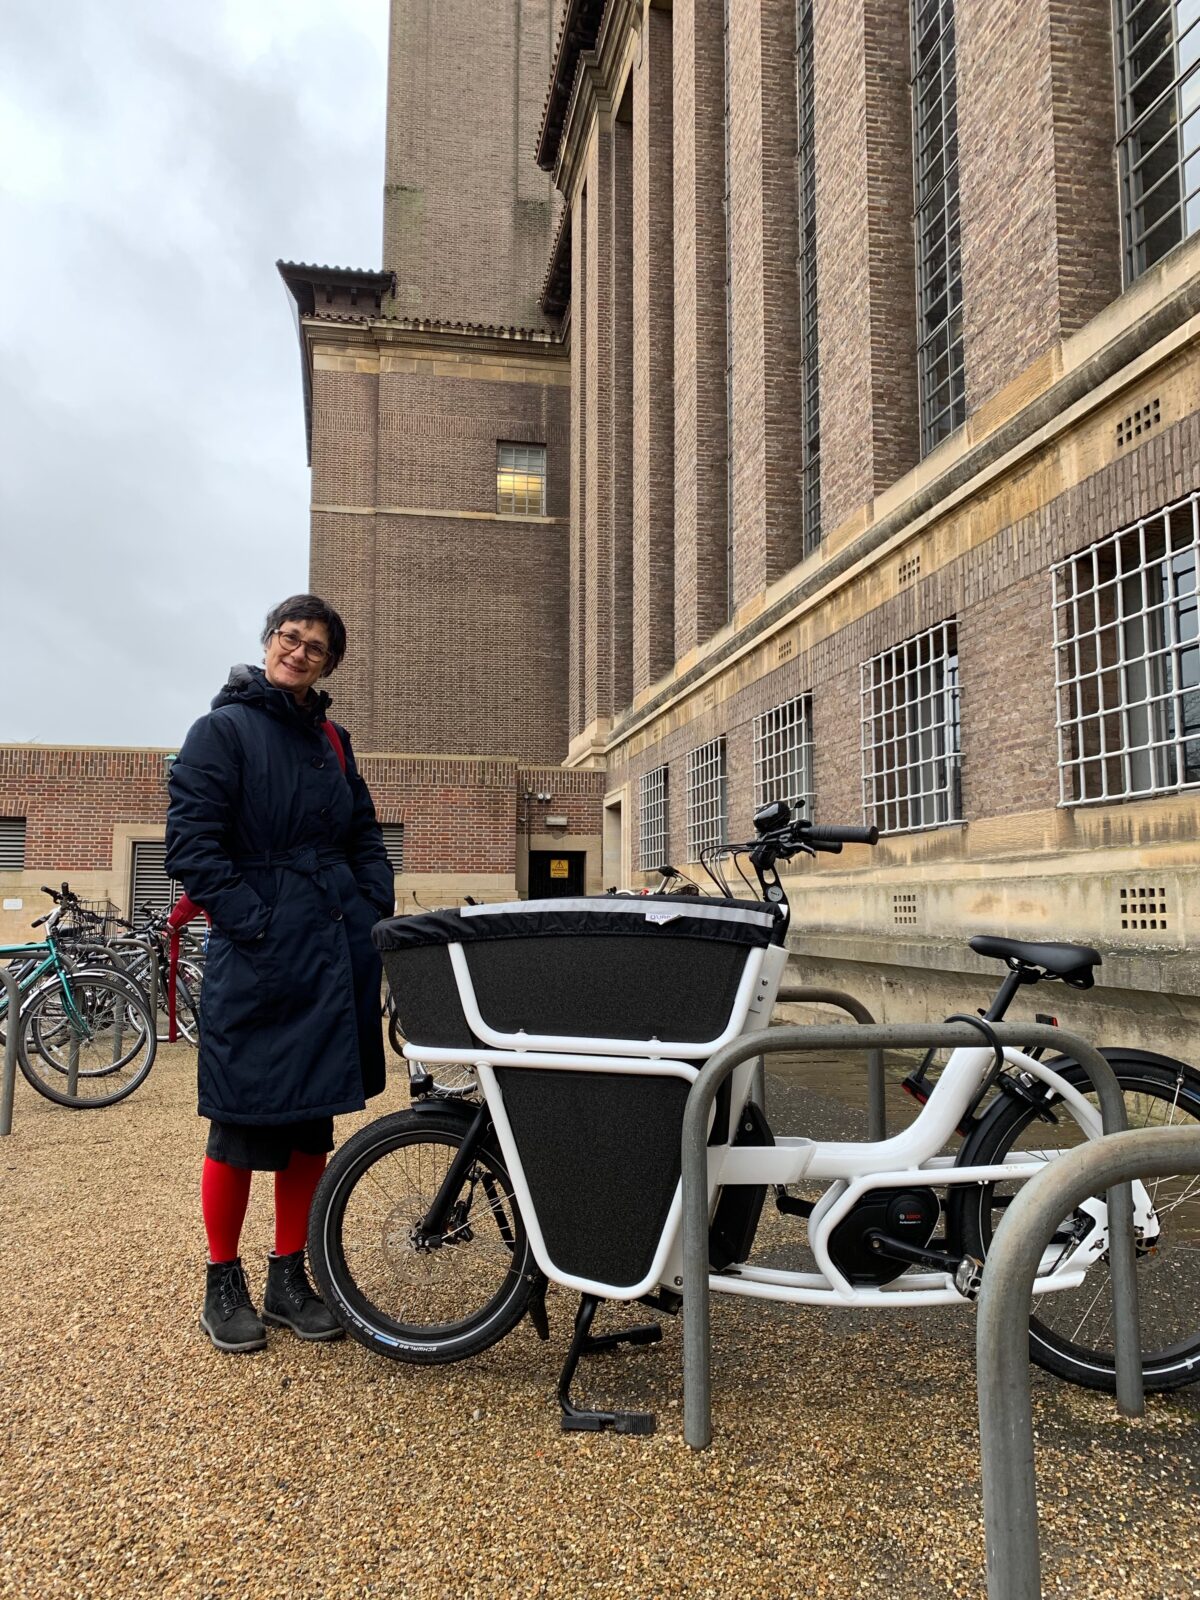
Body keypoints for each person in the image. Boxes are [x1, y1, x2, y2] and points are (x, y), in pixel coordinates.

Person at [166, 595, 395, 1354]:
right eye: (290, 638)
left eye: (316, 647)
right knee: (238, 1124)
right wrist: (257, 920)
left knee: (310, 1127)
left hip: (331, 951)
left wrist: (370, 907)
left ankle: (289, 1275)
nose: (299, 652)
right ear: (268, 642)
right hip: (260, 956)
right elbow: (192, 848)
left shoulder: (334, 741)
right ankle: (220, 1280)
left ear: (330, 664)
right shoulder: (220, 732)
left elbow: (363, 832)